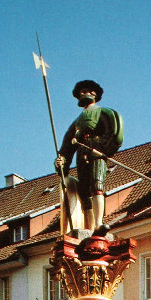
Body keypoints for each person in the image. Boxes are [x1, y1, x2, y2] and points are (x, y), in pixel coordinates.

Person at [54, 80, 124, 232]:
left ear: (94, 94)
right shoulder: (76, 123)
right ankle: (89, 227)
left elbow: (115, 133)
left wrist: (101, 148)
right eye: (80, 92)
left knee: (97, 185)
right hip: (82, 156)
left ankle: (98, 223)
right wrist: (62, 162)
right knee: (84, 192)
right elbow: (67, 146)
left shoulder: (103, 112)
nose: (82, 94)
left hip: (95, 155)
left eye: (85, 91)